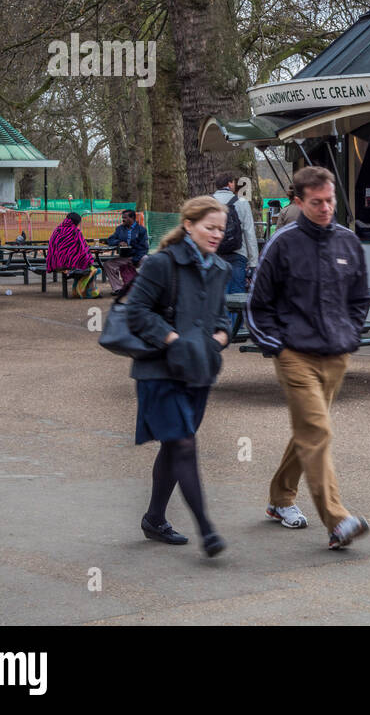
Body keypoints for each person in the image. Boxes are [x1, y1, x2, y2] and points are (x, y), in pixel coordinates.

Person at [246, 166, 370, 549]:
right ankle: (337, 521)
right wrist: (278, 347)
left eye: (330, 200)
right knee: (318, 431)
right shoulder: (282, 244)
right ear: (298, 202)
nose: (326, 208)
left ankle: (279, 498)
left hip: (336, 355)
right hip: (294, 355)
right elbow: (257, 304)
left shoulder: (348, 242)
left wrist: (351, 334)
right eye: (316, 202)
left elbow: (360, 298)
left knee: (308, 431)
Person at [122, 196, 231, 558]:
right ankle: (207, 530)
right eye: (209, 227)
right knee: (183, 443)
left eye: (221, 229)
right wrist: (172, 340)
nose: (217, 234)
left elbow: (222, 320)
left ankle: (154, 519)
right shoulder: (160, 264)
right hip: (158, 371)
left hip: (198, 370)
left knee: (174, 445)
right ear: (188, 225)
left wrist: (218, 340)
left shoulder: (220, 269)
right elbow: (135, 311)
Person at [211, 171, 259, 330]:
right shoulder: (241, 202)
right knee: (237, 291)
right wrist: (253, 261)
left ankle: (220, 326)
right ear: (230, 183)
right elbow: (249, 232)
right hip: (238, 253)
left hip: (214, 253)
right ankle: (236, 328)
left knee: (218, 289)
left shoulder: (208, 202)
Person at [46, 212, 100, 298]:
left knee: (82, 267)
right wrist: (90, 261)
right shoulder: (75, 231)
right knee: (93, 269)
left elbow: (51, 248)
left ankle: (79, 291)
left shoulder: (56, 230)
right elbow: (83, 250)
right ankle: (88, 292)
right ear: (76, 222)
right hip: (70, 265)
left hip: (55, 264)